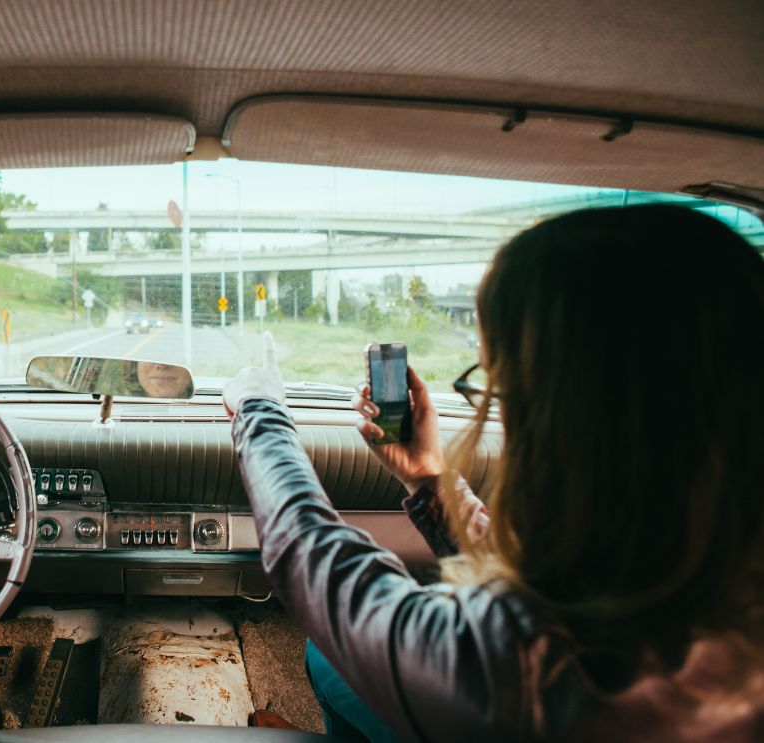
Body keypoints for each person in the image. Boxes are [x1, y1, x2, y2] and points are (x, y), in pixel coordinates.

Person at [224, 205, 763, 741]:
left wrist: (260, 409)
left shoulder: (525, 668)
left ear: (574, 423)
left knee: (329, 654)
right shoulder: (701, 589)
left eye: (504, 388)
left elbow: (316, 563)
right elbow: (535, 577)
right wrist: (432, 482)